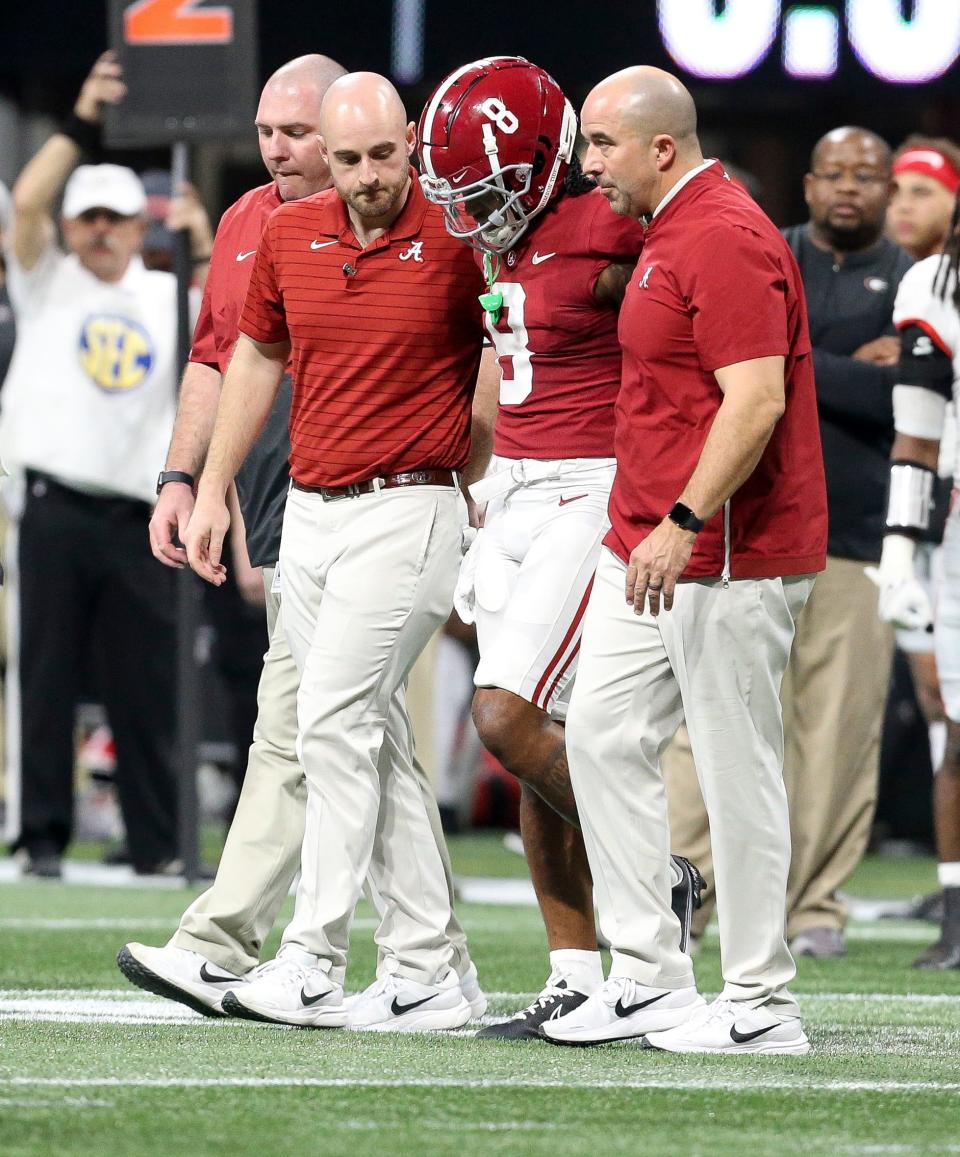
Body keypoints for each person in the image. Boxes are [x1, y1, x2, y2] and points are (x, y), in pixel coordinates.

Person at [118, 56, 483, 1025]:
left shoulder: (459, 229)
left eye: (367, 151)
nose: (356, 171)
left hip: (409, 501)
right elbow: (242, 357)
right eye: (275, 131)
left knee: (321, 720)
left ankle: (303, 954)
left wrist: (484, 474)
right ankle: (429, 966)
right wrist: (198, 484)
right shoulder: (272, 228)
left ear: (407, 144)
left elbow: (506, 351)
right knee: (369, 731)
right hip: (307, 505)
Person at [541, 66, 826, 1055]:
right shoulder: (670, 228)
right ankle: (652, 976)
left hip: (725, 551)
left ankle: (760, 1001)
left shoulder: (725, 234)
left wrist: (683, 516)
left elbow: (754, 401)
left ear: (662, 146)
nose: (588, 169)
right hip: (654, 546)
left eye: (602, 147)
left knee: (735, 771)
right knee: (600, 734)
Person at [419, 55, 702, 1040]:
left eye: (491, 189)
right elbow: (500, 377)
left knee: (506, 716)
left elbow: (705, 258)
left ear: (548, 164)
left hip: (595, 487)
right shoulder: (499, 245)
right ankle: (577, 970)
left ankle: (654, 869)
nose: (475, 211)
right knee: (541, 719)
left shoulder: (615, 217)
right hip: (519, 492)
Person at [667, 126, 913, 958]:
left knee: (837, 734)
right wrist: (849, 366)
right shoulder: (767, 249)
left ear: (887, 190)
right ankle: (686, 893)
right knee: (706, 720)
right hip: (750, 529)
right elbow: (737, 376)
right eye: (834, 173)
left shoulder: (916, 282)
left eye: (867, 175)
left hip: (858, 538)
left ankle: (812, 908)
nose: (849, 187)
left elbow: (908, 398)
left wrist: (805, 365)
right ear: (806, 185)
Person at [0, 52, 201, 878]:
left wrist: (210, 238)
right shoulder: (45, 280)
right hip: (52, 505)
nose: (102, 232)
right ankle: (42, 834)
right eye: (89, 219)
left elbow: (242, 321)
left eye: (118, 218)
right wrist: (82, 121)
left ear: (138, 221)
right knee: (41, 682)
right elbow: (28, 200)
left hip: (135, 511)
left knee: (147, 688)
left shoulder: (170, 292)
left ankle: (156, 840)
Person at [871, 187, 960, 969]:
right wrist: (900, 552)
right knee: (955, 718)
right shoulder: (934, 284)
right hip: (956, 524)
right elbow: (919, 436)